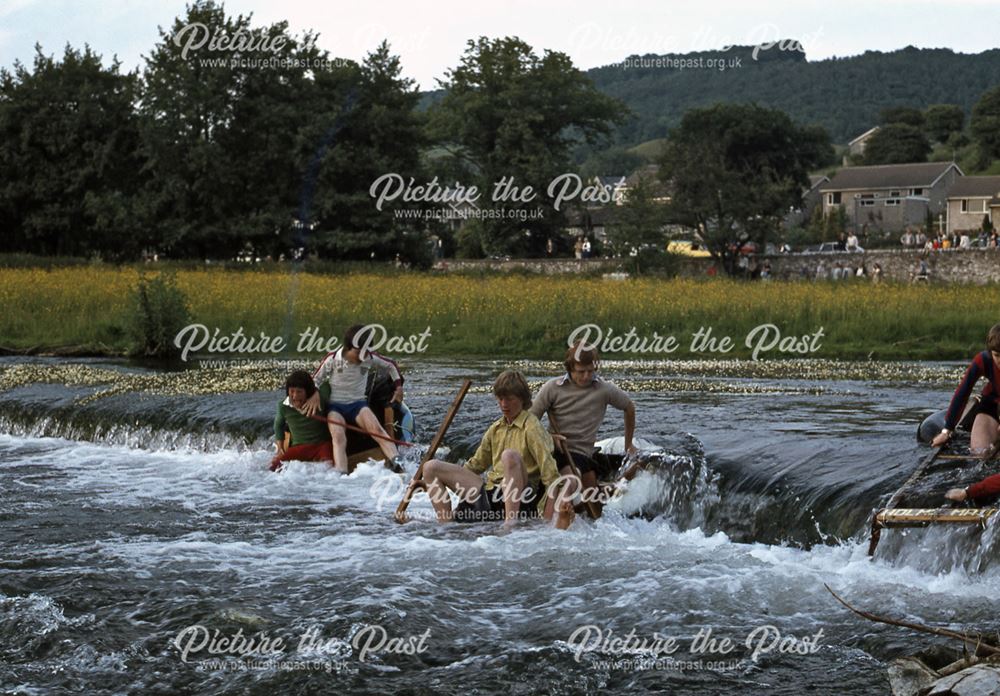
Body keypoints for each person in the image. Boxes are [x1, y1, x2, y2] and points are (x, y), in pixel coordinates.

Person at [420, 370, 566, 527]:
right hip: (491, 494)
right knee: (430, 467)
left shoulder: (532, 427)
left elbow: (551, 475)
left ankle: (510, 525)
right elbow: (475, 466)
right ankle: (446, 525)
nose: (504, 404)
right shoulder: (495, 428)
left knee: (509, 456)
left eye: (509, 399)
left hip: (521, 497)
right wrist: (427, 482)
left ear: (522, 399)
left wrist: (547, 520)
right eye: (500, 399)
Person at [530, 342, 636, 512]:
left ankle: (555, 523)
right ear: (570, 369)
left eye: (591, 371)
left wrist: (628, 443)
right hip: (552, 449)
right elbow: (530, 422)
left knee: (571, 481)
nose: (586, 376)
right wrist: (549, 438)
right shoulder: (552, 388)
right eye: (581, 371)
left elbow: (629, 407)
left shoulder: (604, 390)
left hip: (580, 454)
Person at [303, 324, 403, 473]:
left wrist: (399, 387)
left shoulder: (370, 358)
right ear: (348, 347)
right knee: (338, 437)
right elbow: (315, 380)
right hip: (336, 407)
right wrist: (315, 392)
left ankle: (399, 465)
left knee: (377, 430)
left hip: (358, 405)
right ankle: (341, 475)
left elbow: (391, 366)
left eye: (366, 351)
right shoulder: (333, 358)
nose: (362, 355)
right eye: (358, 352)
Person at [934, 324, 1000, 475]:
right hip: (991, 404)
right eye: (997, 355)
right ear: (990, 353)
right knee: (979, 456)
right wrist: (947, 430)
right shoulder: (982, 360)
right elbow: (962, 393)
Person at [270, 370, 333, 472]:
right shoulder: (283, 406)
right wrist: (280, 449)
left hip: (321, 445)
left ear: (308, 392)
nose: (295, 396)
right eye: (292, 391)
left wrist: (316, 393)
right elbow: (278, 426)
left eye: (299, 392)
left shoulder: (319, 399)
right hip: (299, 446)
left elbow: (327, 384)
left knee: (329, 468)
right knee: (275, 467)